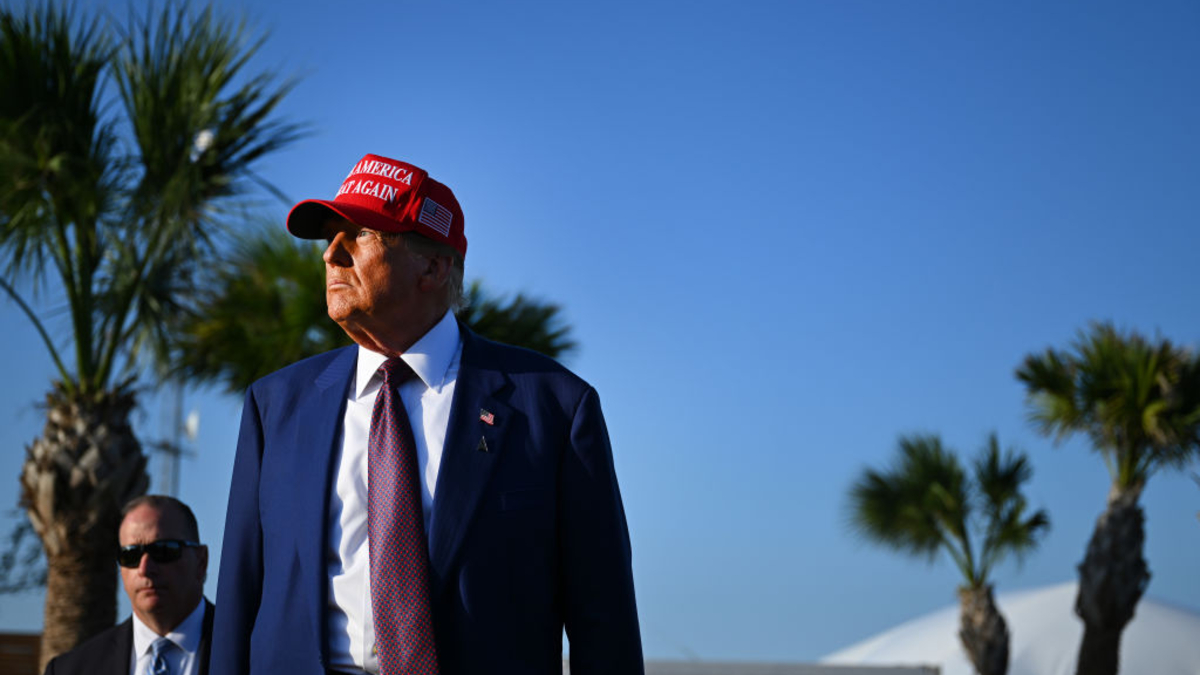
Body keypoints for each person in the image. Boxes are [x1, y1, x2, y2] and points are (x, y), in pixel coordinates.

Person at [210, 153, 643, 675]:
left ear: (434, 267)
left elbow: (605, 618)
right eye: (329, 237)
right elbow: (239, 597)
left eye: (360, 235)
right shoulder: (275, 405)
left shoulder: (553, 407)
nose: (331, 255)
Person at [44, 495, 214, 675]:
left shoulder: (243, 650)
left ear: (201, 561)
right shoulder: (71, 669)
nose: (145, 568)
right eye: (130, 555)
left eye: (164, 550)